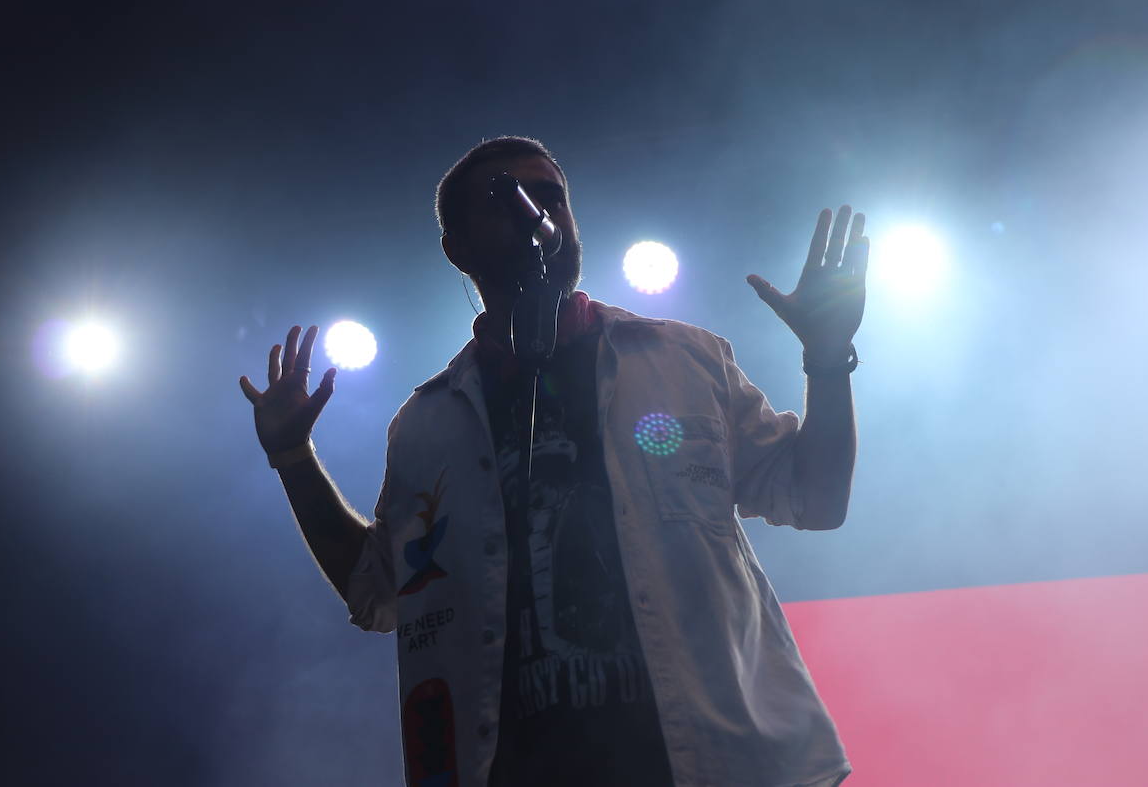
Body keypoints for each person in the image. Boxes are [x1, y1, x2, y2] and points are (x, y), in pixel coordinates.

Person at [240, 136, 868, 786]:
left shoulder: (686, 361)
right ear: (457, 247)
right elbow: (376, 590)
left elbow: (817, 498)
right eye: (502, 197)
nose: (533, 211)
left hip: (709, 764)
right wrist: (291, 455)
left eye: (550, 198)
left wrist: (826, 359)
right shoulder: (427, 425)